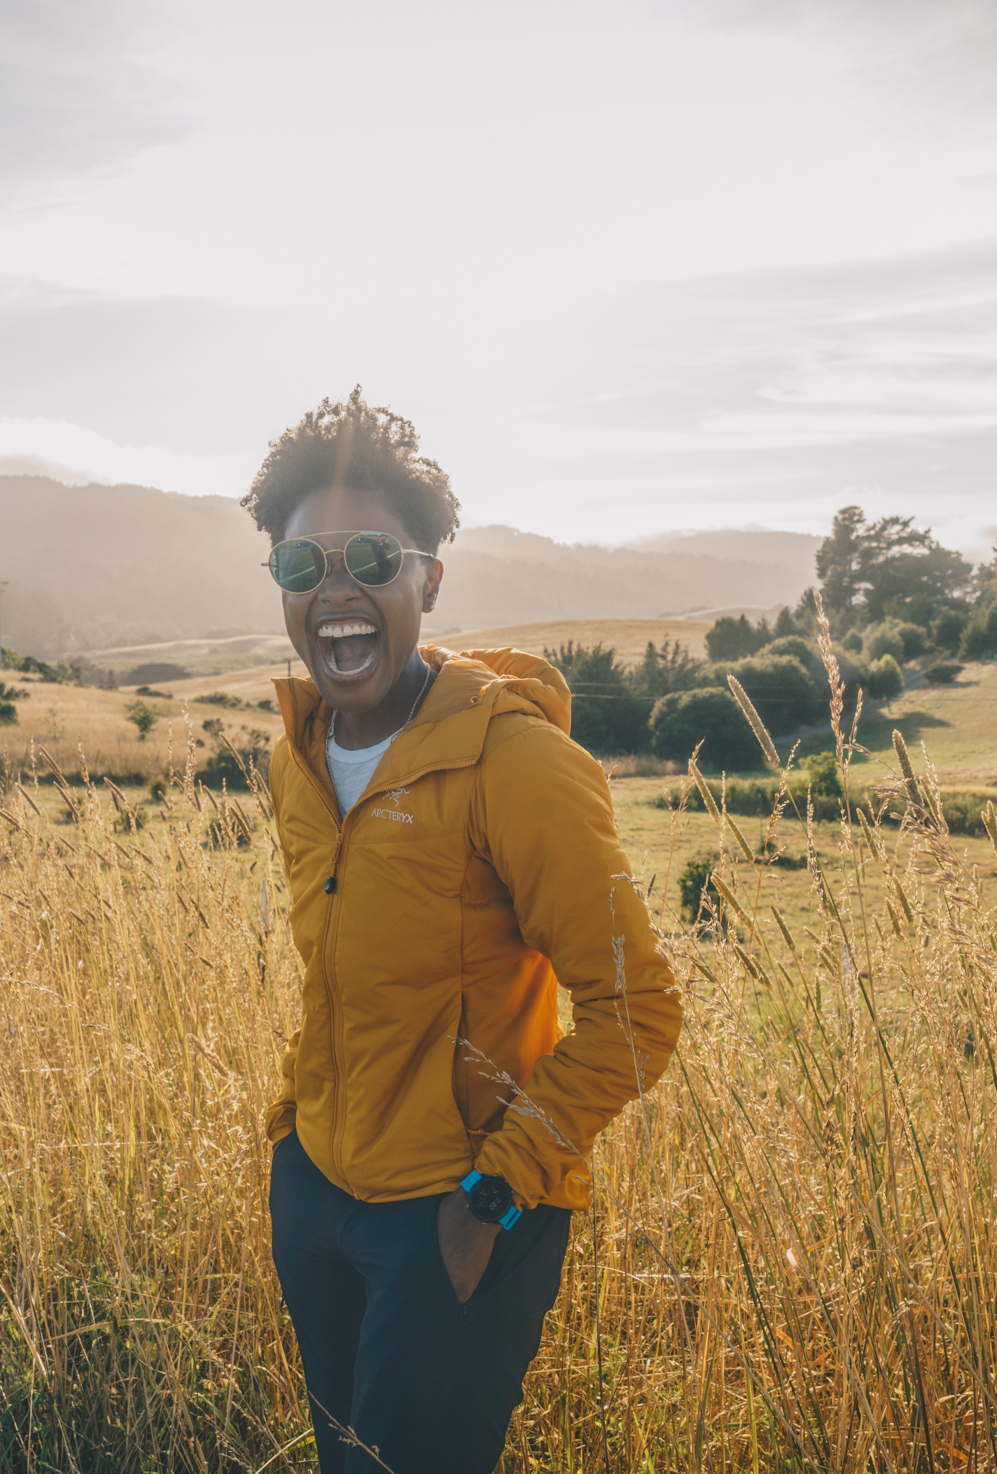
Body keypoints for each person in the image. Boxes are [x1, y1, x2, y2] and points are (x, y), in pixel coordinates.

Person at [246, 389, 682, 1473]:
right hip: (318, 1197)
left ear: (428, 576)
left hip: (454, 1214)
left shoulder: (515, 762)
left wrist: (493, 1191)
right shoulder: (295, 759)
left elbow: (639, 1014)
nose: (336, 591)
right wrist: (294, 1142)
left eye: (371, 560)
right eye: (305, 568)